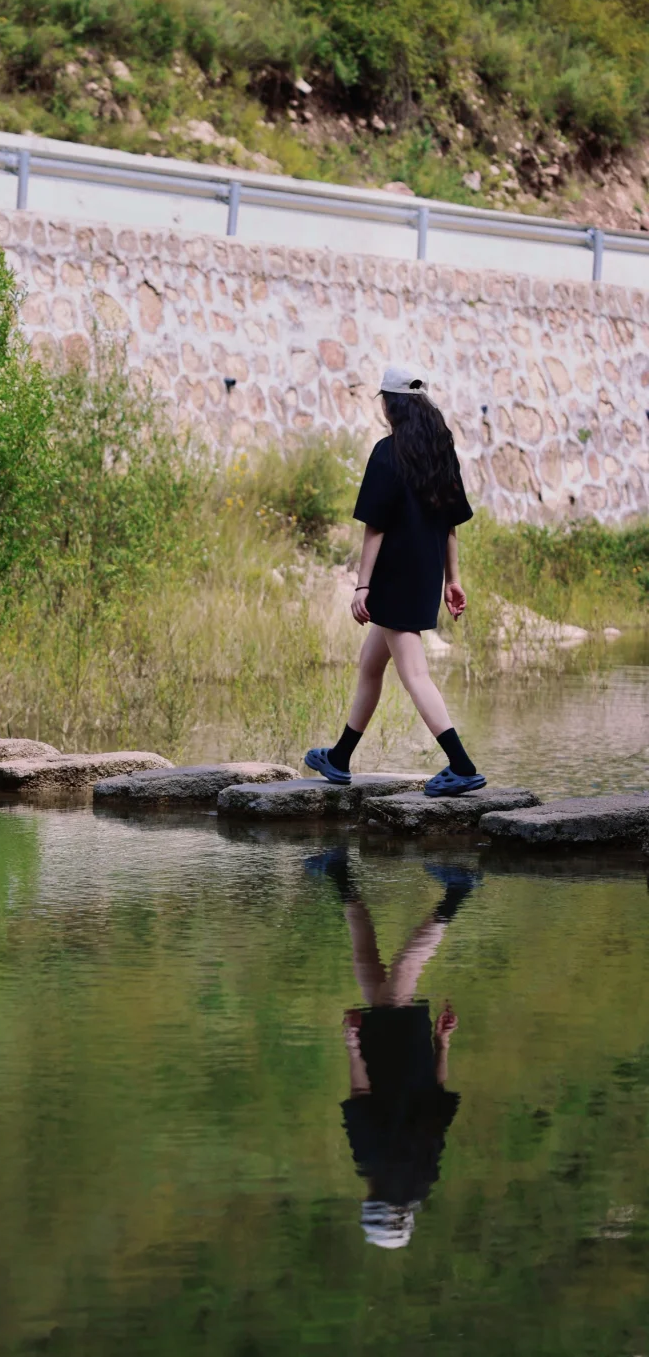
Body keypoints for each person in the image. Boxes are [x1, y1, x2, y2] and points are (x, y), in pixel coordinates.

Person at [305, 365, 485, 797]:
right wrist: (452, 580)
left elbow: (376, 526)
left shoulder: (388, 452)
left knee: (415, 674)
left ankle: (462, 766)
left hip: (393, 576)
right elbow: (450, 524)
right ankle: (341, 757)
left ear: (391, 403)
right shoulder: (441, 452)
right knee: (371, 665)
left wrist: (362, 586)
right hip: (423, 574)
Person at [306, 849, 474, 1250]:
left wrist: (442, 1042)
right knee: (403, 971)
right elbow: (361, 1095)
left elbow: (438, 1096)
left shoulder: (427, 1164)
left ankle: (340, 873)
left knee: (368, 962)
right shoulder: (373, 1160)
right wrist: (352, 1045)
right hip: (384, 1057)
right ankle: (458, 892)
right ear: (373, 1203)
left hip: (413, 1056)